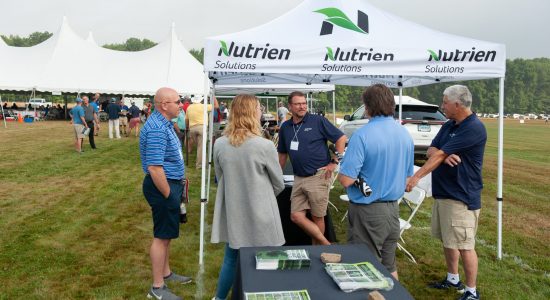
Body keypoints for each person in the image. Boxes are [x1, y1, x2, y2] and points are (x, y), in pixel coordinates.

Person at [406, 85, 486, 300]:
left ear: (457, 104)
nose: (442, 106)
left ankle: (471, 291)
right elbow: (433, 149)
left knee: (464, 245)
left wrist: (416, 177)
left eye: (445, 102)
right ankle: (452, 278)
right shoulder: (450, 124)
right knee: (449, 241)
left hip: (461, 196)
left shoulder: (473, 127)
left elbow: (439, 153)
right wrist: (444, 154)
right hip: (445, 193)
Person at [211, 94, 285, 300]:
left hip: (234, 209)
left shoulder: (220, 144)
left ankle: (219, 298)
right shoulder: (265, 145)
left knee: (231, 258)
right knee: (267, 259)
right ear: (253, 113)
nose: (261, 111)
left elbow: (220, 177)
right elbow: (278, 182)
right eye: (259, 108)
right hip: (262, 210)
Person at [337, 84, 414, 280]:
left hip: (368, 212)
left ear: (367, 106)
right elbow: (406, 176)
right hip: (392, 210)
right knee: (389, 266)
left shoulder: (362, 135)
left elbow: (346, 179)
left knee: (363, 268)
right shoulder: (404, 134)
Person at [140, 87, 191, 300]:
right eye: (177, 102)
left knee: (167, 234)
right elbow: (154, 167)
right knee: (161, 236)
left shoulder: (164, 124)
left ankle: (166, 273)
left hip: (170, 183)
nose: (181, 105)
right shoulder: (157, 129)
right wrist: (170, 194)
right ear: (164, 105)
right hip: (162, 186)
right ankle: (157, 287)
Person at [277, 91, 347, 245]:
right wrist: (275, 175)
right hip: (299, 177)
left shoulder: (317, 121)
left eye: (304, 103)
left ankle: (317, 250)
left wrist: (334, 162)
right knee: (296, 216)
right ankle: (326, 244)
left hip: (318, 175)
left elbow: (341, 138)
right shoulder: (286, 127)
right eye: (298, 104)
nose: (302, 107)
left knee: (317, 217)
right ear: (290, 107)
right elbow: (282, 154)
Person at [185, 96, 219, 169]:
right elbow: (216, 106)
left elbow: (186, 120)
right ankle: (200, 165)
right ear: (201, 100)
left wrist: (187, 128)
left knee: (199, 147)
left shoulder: (189, 107)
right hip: (201, 127)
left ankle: (204, 163)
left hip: (192, 128)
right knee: (201, 147)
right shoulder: (203, 106)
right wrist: (214, 97)